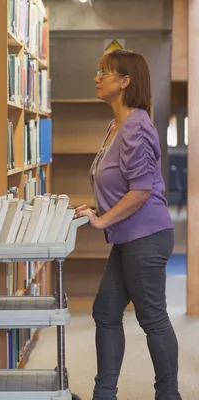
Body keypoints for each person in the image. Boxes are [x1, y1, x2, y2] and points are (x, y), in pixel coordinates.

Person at [74, 48, 182, 400]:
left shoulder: (136, 125)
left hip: (146, 236)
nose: (96, 78)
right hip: (129, 237)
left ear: (124, 82)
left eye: (103, 72)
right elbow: (120, 184)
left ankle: (169, 395)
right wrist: (95, 207)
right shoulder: (116, 124)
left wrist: (102, 219)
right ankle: (104, 394)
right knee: (105, 310)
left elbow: (140, 191)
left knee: (152, 319)